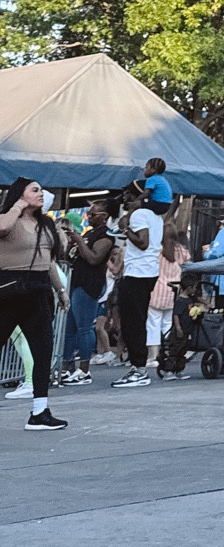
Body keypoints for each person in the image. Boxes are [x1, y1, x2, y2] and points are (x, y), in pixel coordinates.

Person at [0, 179, 69, 431]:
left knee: (43, 350)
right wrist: (18, 205)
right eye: (35, 190)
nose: (42, 194)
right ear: (20, 194)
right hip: (9, 289)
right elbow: (2, 227)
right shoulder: (8, 219)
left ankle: (40, 412)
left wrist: (60, 289)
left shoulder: (45, 223)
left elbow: (48, 258)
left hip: (39, 290)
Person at [114, 170, 172, 389]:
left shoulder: (138, 215)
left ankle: (138, 369)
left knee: (132, 323)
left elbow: (142, 242)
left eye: (127, 195)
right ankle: (138, 366)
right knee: (137, 320)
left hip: (137, 273)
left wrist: (125, 228)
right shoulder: (155, 216)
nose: (124, 199)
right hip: (147, 272)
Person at [59, 201, 114, 384]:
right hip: (76, 282)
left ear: (104, 216)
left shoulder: (105, 236)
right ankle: (67, 367)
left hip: (88, 285)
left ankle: (84, 370)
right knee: (70, 329)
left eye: (93, 215)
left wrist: (80, 240)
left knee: (84, 328)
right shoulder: (89, 232)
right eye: (89, 214)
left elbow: (93, 258)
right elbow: (74, 256)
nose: (89, 217)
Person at [147, 219, 189, 374]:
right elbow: (188, 265)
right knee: (168, 325)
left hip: (156, 291)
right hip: (174, 291)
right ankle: (170, 354)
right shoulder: (182, 251)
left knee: (152, 324)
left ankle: (153, 355)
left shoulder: (157, 250)